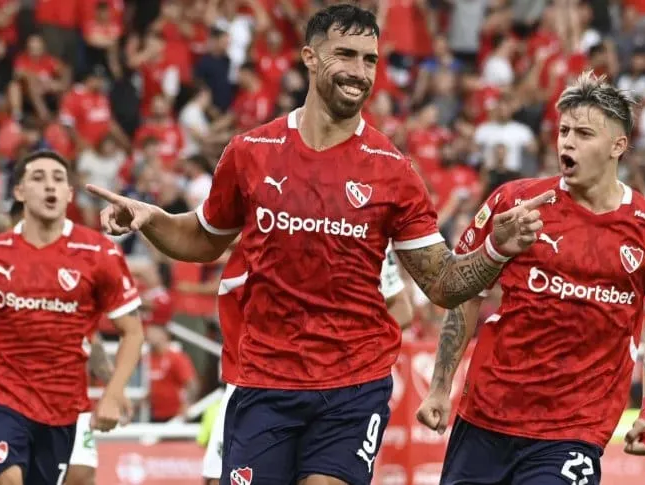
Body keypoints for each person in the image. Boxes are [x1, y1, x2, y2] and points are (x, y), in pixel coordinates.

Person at [86, 4, 551, 484]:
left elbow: (442, 285)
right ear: (309, 57)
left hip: (353, 385)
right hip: (264, 378)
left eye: (370, 60)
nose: (360, 72)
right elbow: (204, 239)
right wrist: (153, 219)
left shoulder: (393, 171)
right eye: (345, 55)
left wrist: (495, 250)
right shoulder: (251, 153)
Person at [416, 71, 645, 485]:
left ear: (618, 146)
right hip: (487, 416)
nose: (567, 143)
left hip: (575, 430)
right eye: (563, 131)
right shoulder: (515, 203)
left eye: (584, 134)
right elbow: (465, 294)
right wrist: (439, 387)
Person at [0, 150, 145, 485]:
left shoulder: (99, 253)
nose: (49, 186)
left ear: (69, 193)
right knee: (8, 480)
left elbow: (133, 331)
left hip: (61, 401)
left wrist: (113, 392)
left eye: (58, 179)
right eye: (38, 178)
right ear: (19, 191)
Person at [201, 243, 414, 485]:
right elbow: (211, 236)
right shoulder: (271, 223)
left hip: (337, 389)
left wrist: (350, 348)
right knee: (217, 477)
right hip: (259, 379)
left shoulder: (369, 233)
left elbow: (401, 307)